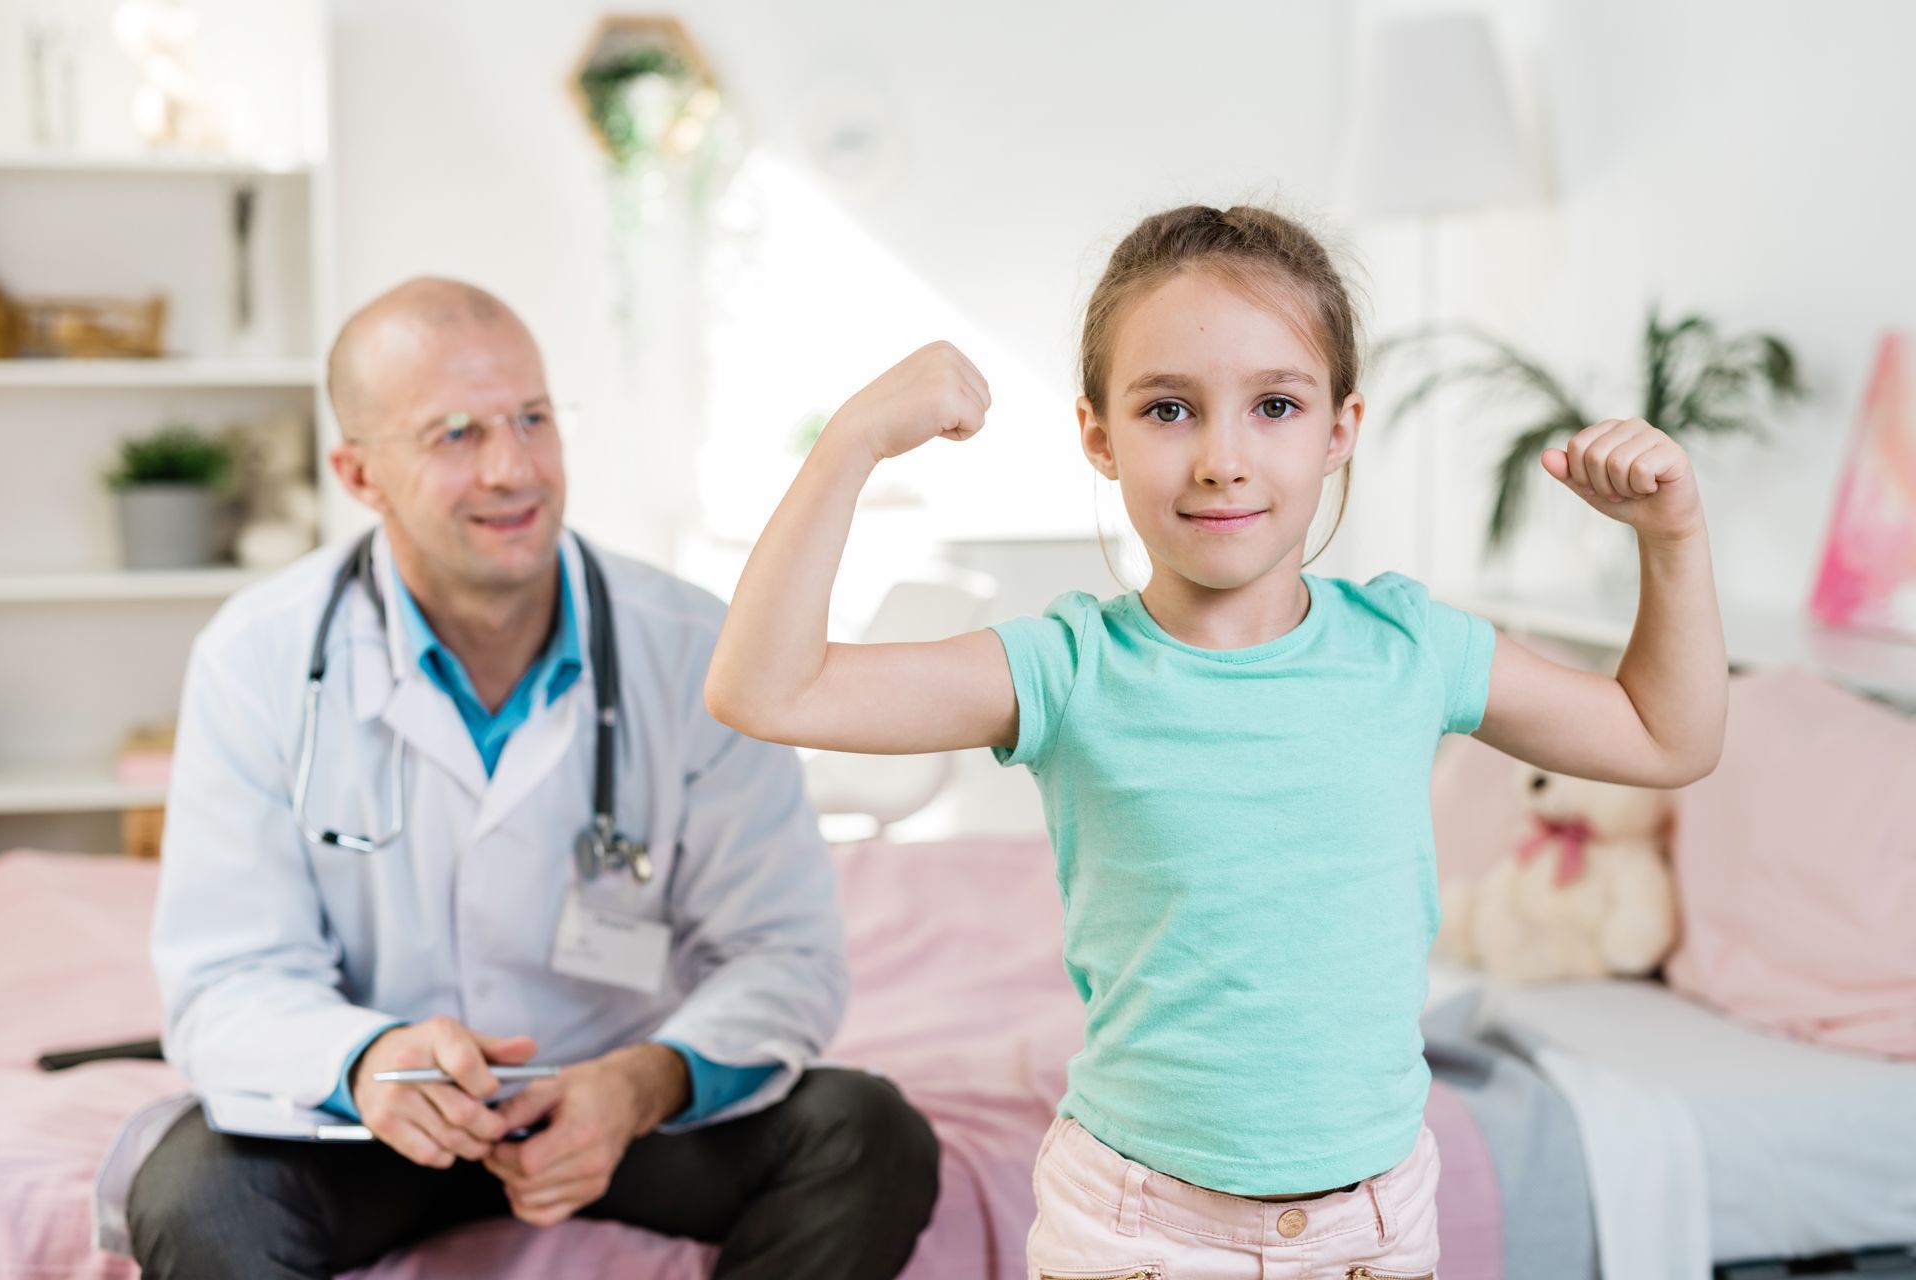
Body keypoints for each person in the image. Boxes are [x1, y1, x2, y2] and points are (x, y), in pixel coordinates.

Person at [703, 205, 1726, 1279]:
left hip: (1372, 1230)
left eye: (1275, 405)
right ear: (1098, 434)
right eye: (1170, 409)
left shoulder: (1410, 647)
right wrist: (852, 438)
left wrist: (1675, 537)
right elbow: (764, 687)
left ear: (1340, 427)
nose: (1223, 458)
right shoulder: (1067, 669)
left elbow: (1667, 736)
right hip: (1137, 1232)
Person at [113, 277, 939, 1280]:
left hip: (621, 1106)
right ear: (358, 472)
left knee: (868, 1134)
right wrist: (366, 1061)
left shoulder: (696, 648)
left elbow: (786, 953)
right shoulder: (257, 658)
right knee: (193, 1191)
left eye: (532, 419)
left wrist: (641, 1082)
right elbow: (224, 978)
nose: (513, 468)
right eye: (455, 433)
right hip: (374, 1114)